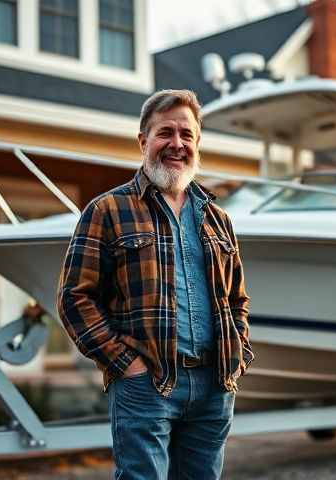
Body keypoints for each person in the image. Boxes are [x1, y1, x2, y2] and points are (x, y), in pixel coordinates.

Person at [57, 89, 253, 479]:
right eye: (165, 133)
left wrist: (238, 354)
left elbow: (237, 299)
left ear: (197, 143)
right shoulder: (107, 210)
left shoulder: (218, 218)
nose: (176, 144)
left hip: (214, 385)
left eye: (187, 135)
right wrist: (125, 365)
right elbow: (74, 298)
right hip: (146, 385)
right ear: (143, 141)